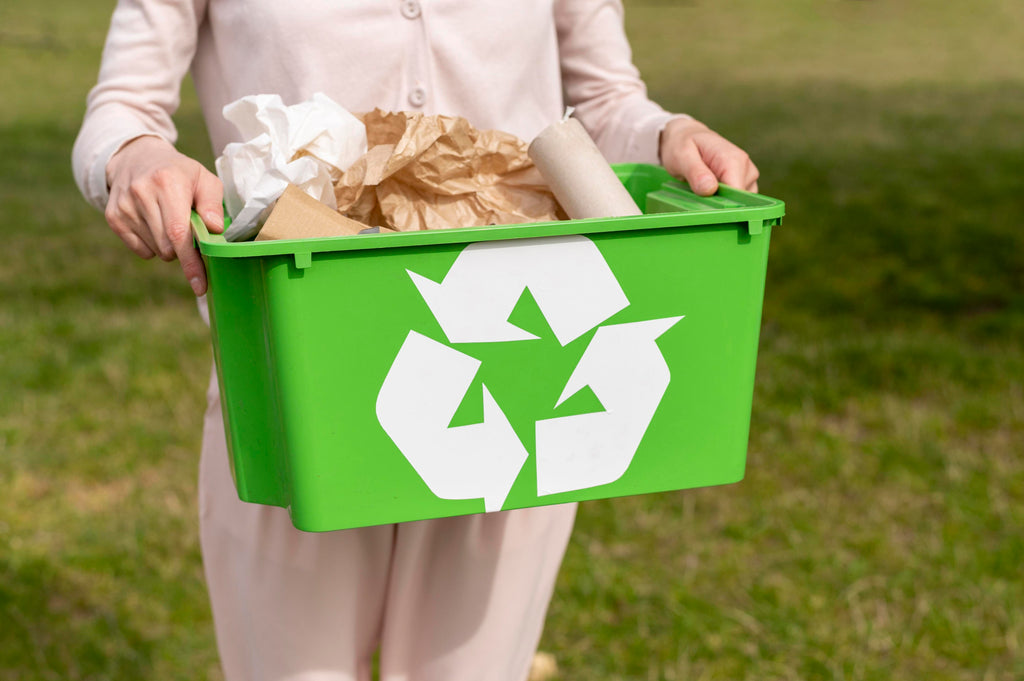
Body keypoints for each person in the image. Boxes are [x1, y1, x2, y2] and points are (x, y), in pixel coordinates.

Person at [73, 2, 759, 679]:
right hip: (303, 388)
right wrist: (133, 158)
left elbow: (607, 100)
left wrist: (669, 134)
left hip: (524, 376)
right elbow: (122, 110)